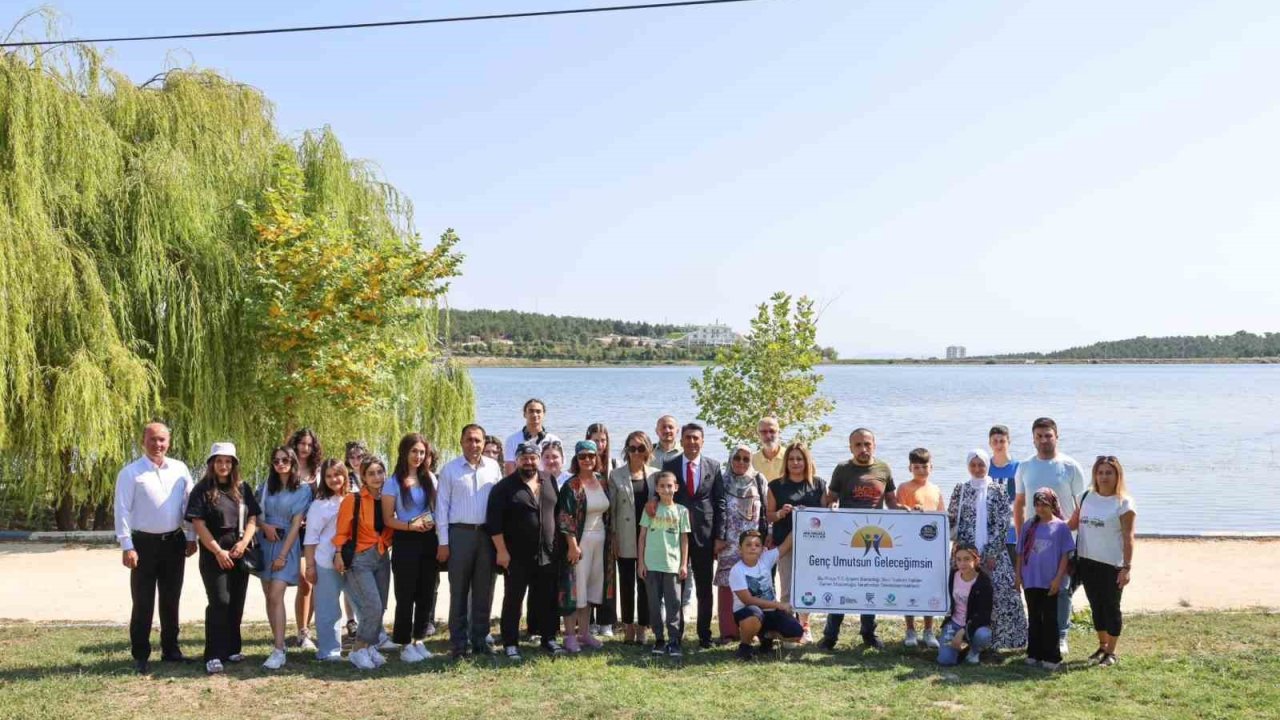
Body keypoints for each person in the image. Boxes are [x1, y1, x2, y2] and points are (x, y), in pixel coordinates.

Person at [113, 422, 198, 674]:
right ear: (143, 441)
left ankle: (171, 650)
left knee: (171, 599)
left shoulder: (181, 469)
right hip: (143, 545)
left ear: (169, 442)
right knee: (143, 602)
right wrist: (127, 545)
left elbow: (189, 506)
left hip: (174, 542)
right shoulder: (130, 473)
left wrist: (191, 536)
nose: (157, 444)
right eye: (152, 439)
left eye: (162, 440)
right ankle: (140, 654)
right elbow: (122, 510)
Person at [820, 428, 900, 651]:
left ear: (874, 444)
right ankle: (830, 636)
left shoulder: (883, 468)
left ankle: (868, 633)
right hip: (847, 539)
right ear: (850, 447)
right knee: (842, 586)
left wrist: (909, 511)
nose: (863, 449)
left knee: (870, 587)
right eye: (858, 445)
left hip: (874, 538)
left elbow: (892, 502)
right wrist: (831, 504)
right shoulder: (843, 469)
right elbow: (831, 498)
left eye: (867, 444)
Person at [487, 441, 565, 660]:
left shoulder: (549, 480)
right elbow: (494, 523)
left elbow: (556, 512)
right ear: (517, 460)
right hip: (516, 555)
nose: (529, 462)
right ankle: (511, 643)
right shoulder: (504, 487)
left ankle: (548, 638)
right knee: (513, 599)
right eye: (524, 458)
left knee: (547, 598)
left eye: (533, 458)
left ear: (538, 459)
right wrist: (501, 551)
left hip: (547, 553)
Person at [186, 442, 260, 675]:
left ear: (234, 464)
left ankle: (231, 648)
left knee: (237, 601)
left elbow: (253, 519)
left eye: (228, 461)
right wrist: (218, 551)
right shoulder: (202, 489)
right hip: (214, 555)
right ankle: (213, 654)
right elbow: (198, 523)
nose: (224, 465)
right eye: (219, 461)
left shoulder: (243, 488)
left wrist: (244, 543)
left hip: (240, 552)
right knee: (220, 601)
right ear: (212, 464)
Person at [1014, 417, 1086, 654]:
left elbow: (1081, 505)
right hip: (1033, 540)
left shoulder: (1070, 466)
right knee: (1035, 588)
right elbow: (1020, 504)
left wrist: (1065, 528)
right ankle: (1039, 635)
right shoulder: (1025, 466)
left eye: (1048, 435)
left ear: (1057, 436)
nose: (1044, 440)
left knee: (1062, 589)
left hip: (1061, 539)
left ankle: (1061, 635)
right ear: (1033, 439)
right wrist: (1021, 535)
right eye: (1039, 436)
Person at [947, 449, 1026, 650]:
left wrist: (990, 552)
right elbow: (952, 518)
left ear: (987, 465)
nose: (977, 469)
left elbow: (1002, 522)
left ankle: (999, 641)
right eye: (973, 465)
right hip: (965, 555)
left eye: (981, 464)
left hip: (993, 553)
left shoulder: (997, 490)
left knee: (1002, 594)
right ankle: (962, 637)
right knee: (962, 593)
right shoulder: (961, 489)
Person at [438, 423, 504, 659]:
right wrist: (443, 543)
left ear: (484, 442)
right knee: (459, 590)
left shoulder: (494, 468)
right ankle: (458, 643)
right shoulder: (450, 470)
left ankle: (480, 640)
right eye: (469, 440)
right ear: (461, 442)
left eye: (478, 440)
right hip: (459, 535)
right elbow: (442, 508)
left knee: (483, 590)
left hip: (486, 535)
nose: (474, 444)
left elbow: (499, 506)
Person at [662, 422, 724, 650]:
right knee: (676, 587)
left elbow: (720, 502)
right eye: (687, 438)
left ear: (702, 441)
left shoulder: (714, 466)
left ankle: (704, 635)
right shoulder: (669, 464)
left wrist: (720, 536)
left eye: (696, 438)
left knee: (705, 588)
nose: (691, 442)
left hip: (705, 536)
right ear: (681, 441)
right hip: (676, 535)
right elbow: (663, 497)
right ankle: (675, 636)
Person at [1070, 455, 1136, 667]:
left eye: (1109, 472)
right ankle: (1102, 645)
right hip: (1087, 561)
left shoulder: (1124, 503)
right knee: (1096, 605)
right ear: (1095, 475)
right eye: (1100, 472)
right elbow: (1071, 524)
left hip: (1112, 564)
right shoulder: (1086, 496)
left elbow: (1128, 537)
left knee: (1111, 607)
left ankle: (1112, 652)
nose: (1104, 477)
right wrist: (1041, 523)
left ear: (1117, 475)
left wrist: (1126, 567)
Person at [380, 433, 439, 663]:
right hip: (405, 541)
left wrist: (431, 521)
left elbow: (437, 508)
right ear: (404, 452)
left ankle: (419, 639)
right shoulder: (392, 482)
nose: (418, 456)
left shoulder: (430, 479)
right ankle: (404, 643)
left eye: (422, 452)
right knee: (405, 594)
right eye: (414, 451)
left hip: (428, 540)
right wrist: (410, 525)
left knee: (426, 592)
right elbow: (387, 519)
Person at [256, 446, 314, 669]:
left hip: (286, 545)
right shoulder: (265, 487)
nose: (280, 464)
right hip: (265, 541)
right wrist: (264, 526)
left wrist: (282, 555)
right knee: (270, 596)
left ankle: (279, 651)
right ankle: (278, 642)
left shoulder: (303, 490)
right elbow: (255, 514)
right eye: (276, 460)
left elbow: (296, 525)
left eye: (285, 460)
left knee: (276, 592)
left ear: (292, 462)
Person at [334, 455, 395, 670]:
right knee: (372, 605)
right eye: (371, 473)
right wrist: (339, 554)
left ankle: (369, 647)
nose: (377, 477)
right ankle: (358, 649)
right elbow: (341, 530)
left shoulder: (389, 499)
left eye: (380, 472)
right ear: (364, 477)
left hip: (382, 556)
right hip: (360, 558)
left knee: (382, 606)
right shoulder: (354, 499)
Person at [556, 440, 615, 652]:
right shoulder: (571, 485)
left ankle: (585, 633)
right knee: (574, 589)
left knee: (591, 587)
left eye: (591, 456)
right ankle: (570, 635)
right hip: (579, 542)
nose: (587, 460)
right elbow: (565, 517)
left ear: (596, 458)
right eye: (582, 457)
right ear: (576, 459)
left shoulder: (602, 481)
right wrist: (572, 545)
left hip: (601, 543)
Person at [767, 442, 826, 645]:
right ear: (786, 462)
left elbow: (826, 515)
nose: (795, 462)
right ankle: (788, 630)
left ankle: (805, 626)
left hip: (812, 544)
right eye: (791, 459)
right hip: (785, 543)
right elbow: (769, 516)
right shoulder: (775, 485)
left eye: (799, 459)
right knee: (786, 588)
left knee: (807, 586)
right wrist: (781, 513)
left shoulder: (818, 484)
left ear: (806, 461)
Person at [713, 444, 770, 643]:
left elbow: (764, 511)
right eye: (737, 458)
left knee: (752, 585)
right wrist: (718, 538)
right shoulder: (721, 479)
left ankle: (751, 630)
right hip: (728, 541)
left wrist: (765, 537)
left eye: (746, 459)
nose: (741, 462)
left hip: (752, 542)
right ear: (730, 459)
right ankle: (728, 632)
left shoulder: (758, 479)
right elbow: (717, 509)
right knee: (727, 585)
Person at [608, 430, 659, 645]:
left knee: (645, 583)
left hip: (649, 536)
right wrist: (613, 538)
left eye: (641, 448)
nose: (636, 452)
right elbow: (611, 510)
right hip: (625, 535)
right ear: (626, 450)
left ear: (648, 449)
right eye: (632, 448)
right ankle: (628, 625)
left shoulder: (656, 474)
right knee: (626, 583)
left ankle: (642, 627)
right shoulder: (616, 475)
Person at [1017, 488, 1075, 671]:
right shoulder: (1028, 526)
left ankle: (1051, 656)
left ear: (1053, 505)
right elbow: (1019, 553)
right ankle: (1034, 653)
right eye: (1037, 505)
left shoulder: (1061, 527)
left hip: (1050, 580)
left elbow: (1066, 555)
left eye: (1045, 505)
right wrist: (1018, 575)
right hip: (1031, 579)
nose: (1041, 509)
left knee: (1049, 618)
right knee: (1034, 616)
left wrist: (1058, 579)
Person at [897, 447, 945, 649]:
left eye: (924, 466)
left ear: (931, 467)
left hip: (930, 547)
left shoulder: (935, 489)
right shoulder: (904, 487)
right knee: (908, 585)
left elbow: (942, 515)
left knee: (929, 587)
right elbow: (896, 509)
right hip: (909, 546)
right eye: (916, 467)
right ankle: (910, 629)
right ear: (910, 467)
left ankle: (928, 629)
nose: (921, 470)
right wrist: (908, 510)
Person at [638, 471, 690, 657]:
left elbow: (684, 540)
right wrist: (641, 563)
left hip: (672, 566)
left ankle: (674, 640)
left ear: (676, 487)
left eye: (670, 486)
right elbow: (642, 537)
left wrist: (684, 564)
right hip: (651, 565)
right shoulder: (650, 510)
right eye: (662, 486)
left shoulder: (682, 511)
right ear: (657, 489)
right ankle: (659, 639)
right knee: (654, 604)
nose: (666, 489)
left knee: (673, 604)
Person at [302, 459, 350, 662]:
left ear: (345, 475)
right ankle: (329, 650)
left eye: (337, 474)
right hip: (324, 562)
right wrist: (311, 567)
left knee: (363, 604)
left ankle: (367, 646)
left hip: (352, 561)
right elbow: (311, 539)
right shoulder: (319, 505)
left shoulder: (353, 499)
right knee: (328, 608)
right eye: (328, 476)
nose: (333, 479)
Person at [729, 530, 801, 661]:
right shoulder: (737, 570)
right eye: (748, 544)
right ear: (740, 549)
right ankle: (745, 646)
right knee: (755, 613)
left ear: (762, 549)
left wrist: (800, 516)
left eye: (757, 545)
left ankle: (766, 636)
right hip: (747, 612)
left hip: (770, 611)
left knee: (796, 633)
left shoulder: (766, 558)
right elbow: (747, 599)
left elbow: (786, 544)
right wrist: (779, 605)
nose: (753, 547)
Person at [287, 427, 322, 650]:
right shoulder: (286, 468)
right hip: (292, 532)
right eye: (302, 444)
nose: (305, 448)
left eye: (309, 445)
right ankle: (302, 629)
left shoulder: (318, 471)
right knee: (303, 580)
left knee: (312, 581)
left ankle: (304, 631)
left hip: (314, 533)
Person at [936, 544, 994, 666]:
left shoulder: (984, 582)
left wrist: (963, 631)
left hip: (974, 625)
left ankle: (973, 651)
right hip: (954, 623)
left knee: (984, 635)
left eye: (967, 559)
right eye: (958, 559)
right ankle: (956, 651)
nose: (962, 563)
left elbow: (984, 615)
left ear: (976, 560)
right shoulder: (952, 575)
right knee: (945, 661)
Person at [586, 423, 619, 636]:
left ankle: (606, 620)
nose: (600, 444)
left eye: (603, 440)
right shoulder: (583, 463)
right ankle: (588, 620)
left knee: (607, 574)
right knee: (588, 574)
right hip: (587, 528)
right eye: (596, 440)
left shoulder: (613, 467)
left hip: (608, 528)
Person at [987, 425, 1020, 571]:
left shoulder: (1019, 467)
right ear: (990, 443)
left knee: (1016, 579)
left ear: (1009, 442)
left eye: (1002, 441)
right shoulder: (985, 467)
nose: (999, 445)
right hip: (990, 533)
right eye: (995, 441)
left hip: (1014, 533)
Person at [504, 399, 562, 475]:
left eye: (538, 411)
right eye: (531, 411)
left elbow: (558, 468)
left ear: (543, 414)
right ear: (524, 414)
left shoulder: (554, 439)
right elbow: (510, 470)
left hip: (547, 483)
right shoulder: (512, 440)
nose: (535, 414)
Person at [750, 416, 785, 481]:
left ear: (779, 433)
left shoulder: (790, 457)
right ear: (758, 434)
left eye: (772, 431)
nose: (768, 435)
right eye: (764, 432)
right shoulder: (752, 461)